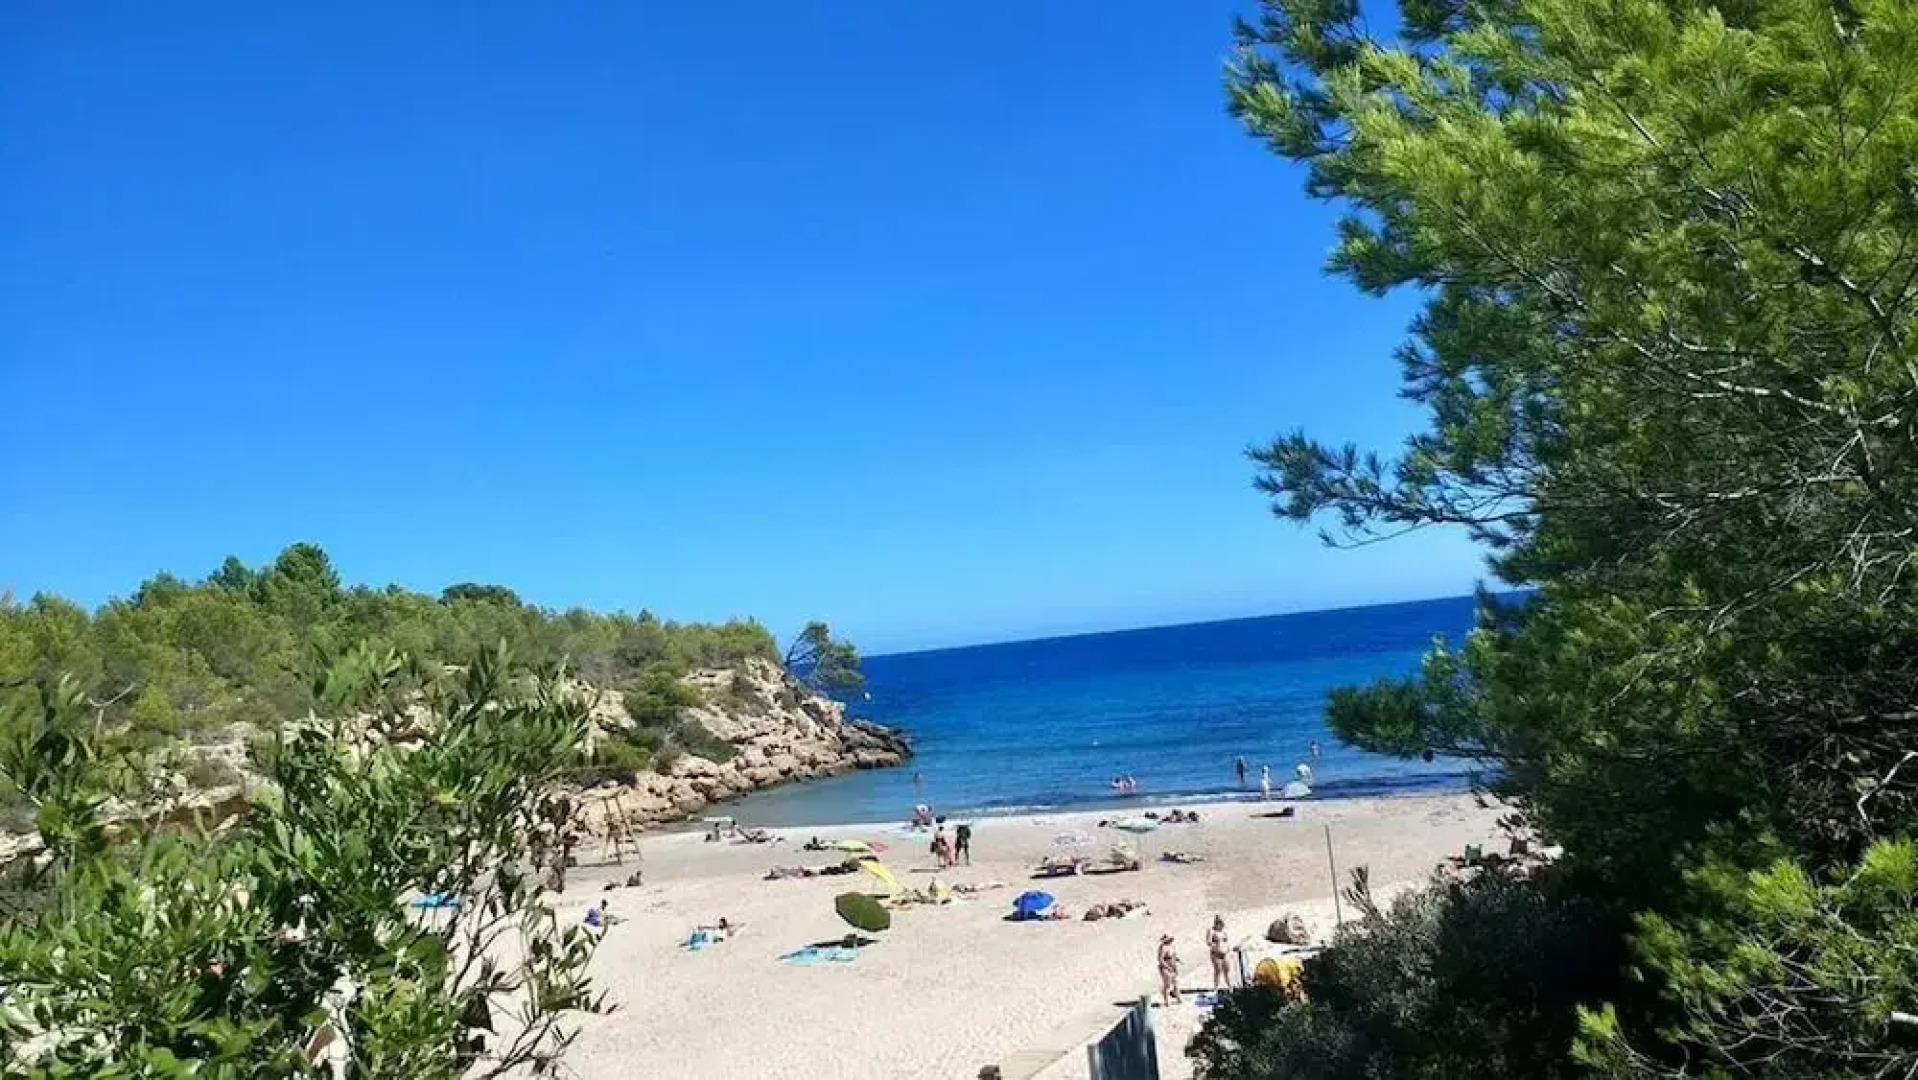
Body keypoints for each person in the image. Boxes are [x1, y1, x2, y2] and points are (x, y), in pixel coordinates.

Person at [1207, 915, 1232, 989]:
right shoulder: (1211, 931)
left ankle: (1229, 986)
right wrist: (1215, 947)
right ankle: (1216, 987)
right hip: (1216, 954)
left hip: (1225, 953)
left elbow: (1226, 941)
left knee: (1227, 970)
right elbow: (1209, 942)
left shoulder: (1224, 932)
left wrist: (1227, 949)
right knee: (1218, 970)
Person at [1157, 934, 1182, 1005]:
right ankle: (1166, 1001)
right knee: (1167, 984)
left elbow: (1173, 955)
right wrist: (1167, 967)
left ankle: (1178, 998)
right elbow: (1160, 959)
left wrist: (1177, 959)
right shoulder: (1162, 948)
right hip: (1165, 966)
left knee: (1176, 983)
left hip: (1173, 965)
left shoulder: (1172, 946)